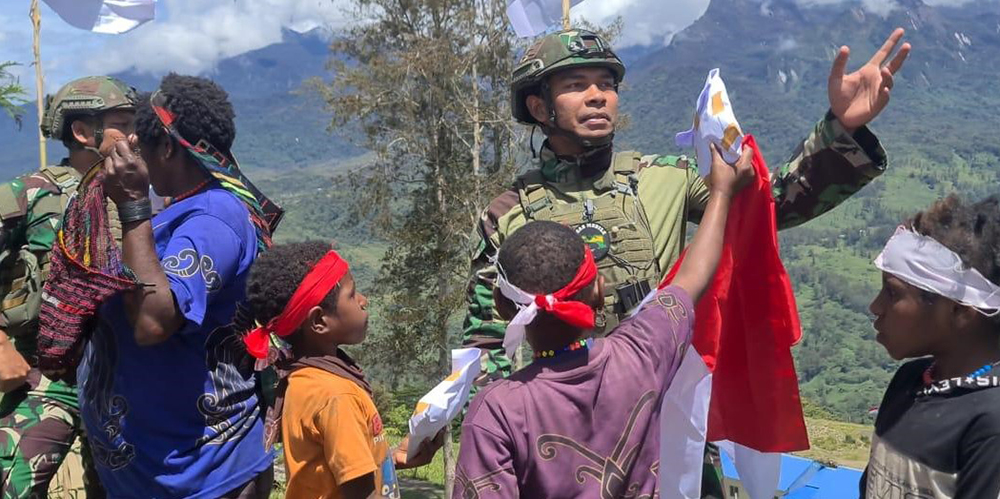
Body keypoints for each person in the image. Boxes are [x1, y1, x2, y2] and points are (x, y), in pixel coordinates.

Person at [461, 27, 910, 496]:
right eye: (575, 85)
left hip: (670, 426)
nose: (597, 97)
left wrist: (841, 129)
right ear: (539, 107)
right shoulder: (508, 213)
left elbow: (769, 204)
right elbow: (487, 342)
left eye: (606, 84)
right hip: (557, 437)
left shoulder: (667, 178)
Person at [455, 143, 750, 498]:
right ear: (599, 290)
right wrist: (721, 192)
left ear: (503, 306)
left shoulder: (497, 409)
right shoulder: (642, 352)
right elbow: (693, 276)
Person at [80, 73, 275, 498]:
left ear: (166, 147)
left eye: (143, 146)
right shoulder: (185, 212)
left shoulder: (213, 218)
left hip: (204, 478)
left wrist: (132, 204)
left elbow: (153, 321)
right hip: (157, 476)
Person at [0, 76, 137, 498]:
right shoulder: (32, 193)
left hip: (122, 382)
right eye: (121, 124)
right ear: (82, 132)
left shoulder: (139, 195)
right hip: (43, 379)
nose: (133, 135)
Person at [244, 242, 443, 499]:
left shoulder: (304, 379)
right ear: (319, 321)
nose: (363, 301)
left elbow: (333, 472)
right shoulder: (337, 396)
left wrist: (393, 458)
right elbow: (360, 493)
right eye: (352, 294)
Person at [862, 195, 1000, 499]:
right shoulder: (909, 383)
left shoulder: (990, 424)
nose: (875, 306)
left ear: (960, 310)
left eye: (892, 293)